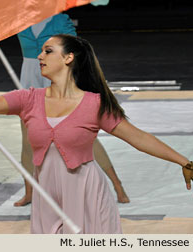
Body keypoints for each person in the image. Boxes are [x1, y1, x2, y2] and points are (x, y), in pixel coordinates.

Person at [0, 34, 193, 233]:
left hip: (87, 195)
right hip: (46, 198)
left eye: (48, 51)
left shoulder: (95, 103)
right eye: (41, 51)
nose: (40, 56)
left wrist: (183, 161)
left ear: (69, 58)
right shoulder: (28, 99)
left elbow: (138, 137)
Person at [15, 13, 129, 207]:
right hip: (29, 79)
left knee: (83, 137)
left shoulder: (60, 20)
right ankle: (30, 191)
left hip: (58, 79)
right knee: (27, 139)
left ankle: (116, 183)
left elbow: (76, 52)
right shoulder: (20, 19)